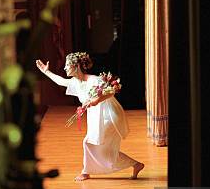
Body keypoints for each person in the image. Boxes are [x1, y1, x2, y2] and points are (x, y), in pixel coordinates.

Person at [36, 52, 144, 181]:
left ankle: (86, 172)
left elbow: (113, 90)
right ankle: (136, 165)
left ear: (76, 66)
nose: (64, 68)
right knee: (101, 149)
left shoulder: (94, 80)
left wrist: (97, 100)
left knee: (89, 143)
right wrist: (46, 72)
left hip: (108, 115)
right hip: (96, 116)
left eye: (67, 65)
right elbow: (60, 81)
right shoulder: (75, 82)